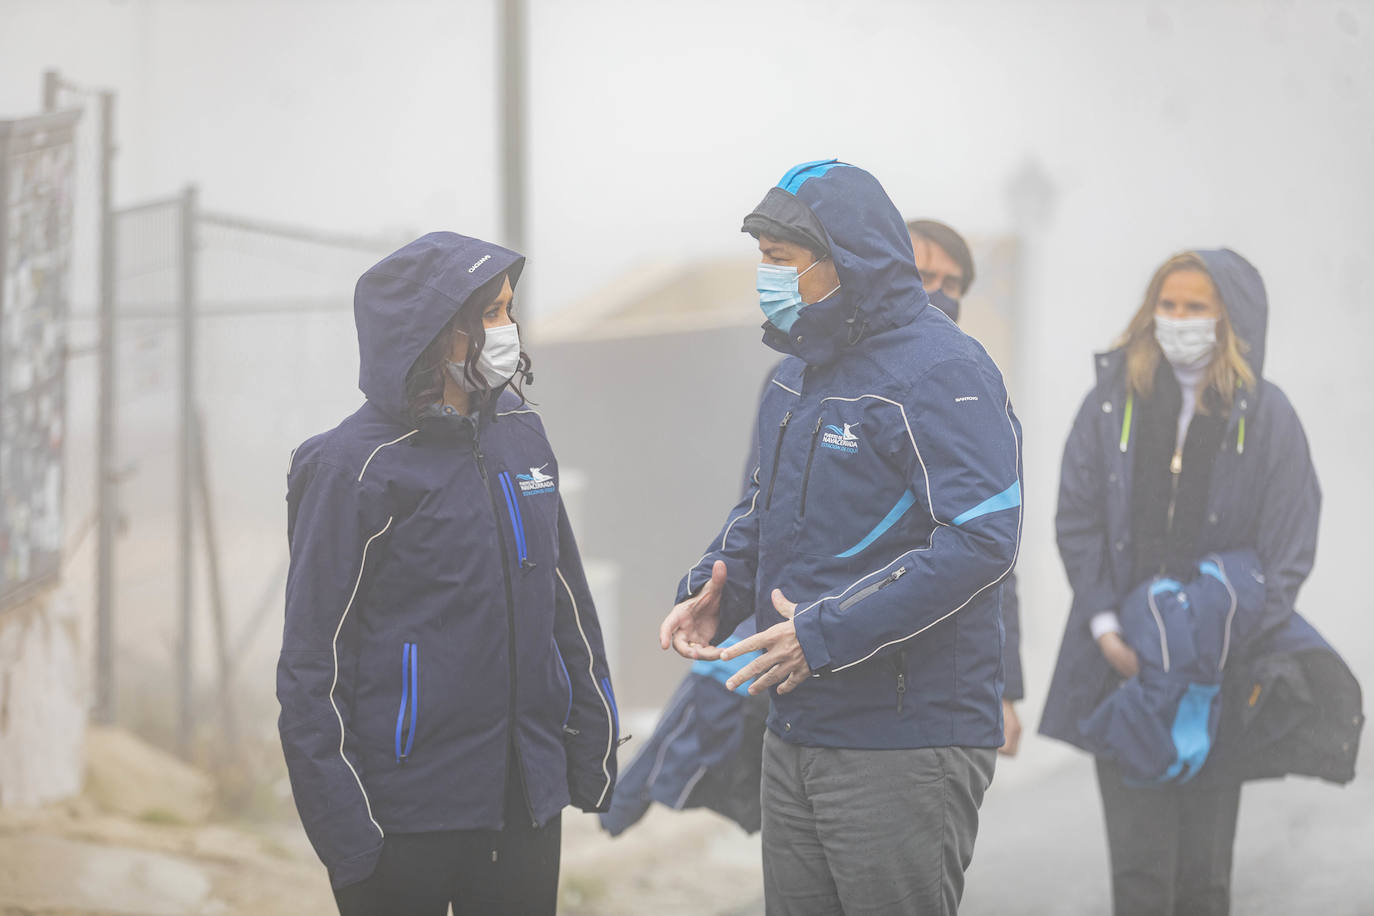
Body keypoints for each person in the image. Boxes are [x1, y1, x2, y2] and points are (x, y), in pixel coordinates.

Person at [660, 160, 1023, 915]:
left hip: (905, 738)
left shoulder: (944, 369)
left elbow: (982, 540)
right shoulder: (797, 373)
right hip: (795, 725)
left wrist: (821, 633)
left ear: (841, 262)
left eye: (779, 261)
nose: (765, 278)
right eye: (759, 259)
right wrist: (712, 589)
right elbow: (761, 515)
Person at [277, 232, 619, 916]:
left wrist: (592, 744)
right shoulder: (353, 469)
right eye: (490, 313)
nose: (507, 330)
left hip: (524, 804)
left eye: (508, 310)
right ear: (436, 333)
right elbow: (312, 667)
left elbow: (566, 603)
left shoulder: (522, 435)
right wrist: (348, 839)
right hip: (404, 820)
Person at [1039, 248, 1361, 915]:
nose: (1178, 319)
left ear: (1231, 320)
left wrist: (1227, 647)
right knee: (1139, 877)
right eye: (1168, 304)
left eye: (1196, 307)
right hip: (1123, 671)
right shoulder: (1108, 406)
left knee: (1204, 880)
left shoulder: (1268, 417)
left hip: (1220, 676)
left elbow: (1290, 547)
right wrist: (1104, 626)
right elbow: (1077, 520)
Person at [907, 217, 1024, 756]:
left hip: (942, 689)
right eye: (924, 276)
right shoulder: (807, 379)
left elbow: (996, 547)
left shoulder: (970, 386)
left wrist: (1005, 690)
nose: (939, 294)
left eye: (953, 285)